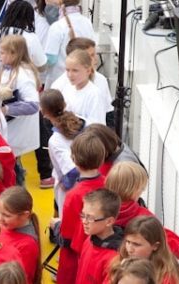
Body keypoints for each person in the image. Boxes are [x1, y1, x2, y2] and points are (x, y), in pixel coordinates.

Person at [105, 161, 179, 259]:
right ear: (134, 190)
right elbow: (174, 246)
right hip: (140, 269)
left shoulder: (100, 211)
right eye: (141, 189)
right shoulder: (142, 217)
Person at [56, 132, 106, 284]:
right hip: (99, 251)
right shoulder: (108, 185)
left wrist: (56, 225)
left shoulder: (74, 195)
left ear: (74, 159)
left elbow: (68, 233)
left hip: (75, 256)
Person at [0, 35, 40, 185]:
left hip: (18, 128)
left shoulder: (23, 75)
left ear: (14, 54)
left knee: (15, 168)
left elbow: (33, 105)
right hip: (9, 126)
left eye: (2, 52)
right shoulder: (7, 69)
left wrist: (7, 109)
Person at [39, 89, 87, 220]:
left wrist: (65, 184)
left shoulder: (56, 141)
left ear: (43, 112)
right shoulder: (81, 123)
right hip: (89, 184)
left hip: (71, 192)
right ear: (64, 104)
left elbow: (72, 171)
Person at [52, 37, 114, 126]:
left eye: (95, 54)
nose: (96, 59)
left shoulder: (100, 80)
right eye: (91, 55)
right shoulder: (60, 86)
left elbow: (108, 114)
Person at [110, 216, 179, 284]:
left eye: (136, 244)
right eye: (128, 242)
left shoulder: (167, 276)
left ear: (155, 246)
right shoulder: (117, 264)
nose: (129, 249)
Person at [75, 189, 123, 283]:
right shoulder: (89, 240)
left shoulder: (114, 259)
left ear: (109, 221)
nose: (84, 221)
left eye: (90, 217)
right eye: (83, 215)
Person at [44, 0, 95, 87]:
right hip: (82, 79)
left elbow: (50, 60)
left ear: (60, 2)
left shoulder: (57, 26)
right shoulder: (87, 22)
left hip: (60, 80)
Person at [0, 187, 41, 284]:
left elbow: (19, 280)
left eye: (6, 215)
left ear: (25, 215)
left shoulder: (28, 245)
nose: (0, 218)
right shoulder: (7, 226)